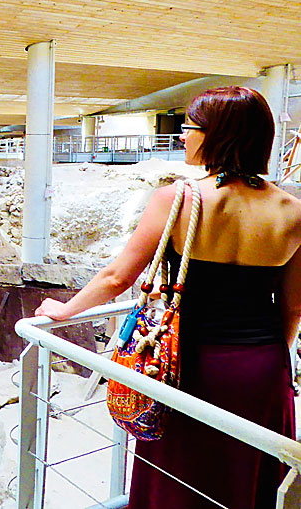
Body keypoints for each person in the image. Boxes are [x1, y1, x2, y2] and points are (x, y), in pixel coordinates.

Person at [36, 86, 300, 509]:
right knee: (246, 478)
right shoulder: (292, 211)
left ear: (219, 136)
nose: (182, 136)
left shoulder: (178, 198)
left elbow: (117, 277)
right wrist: (268, 361)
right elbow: (293, 307)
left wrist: (64, 309)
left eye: (190, 127)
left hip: (187, 367)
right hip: (263, 369)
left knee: (179, 482)